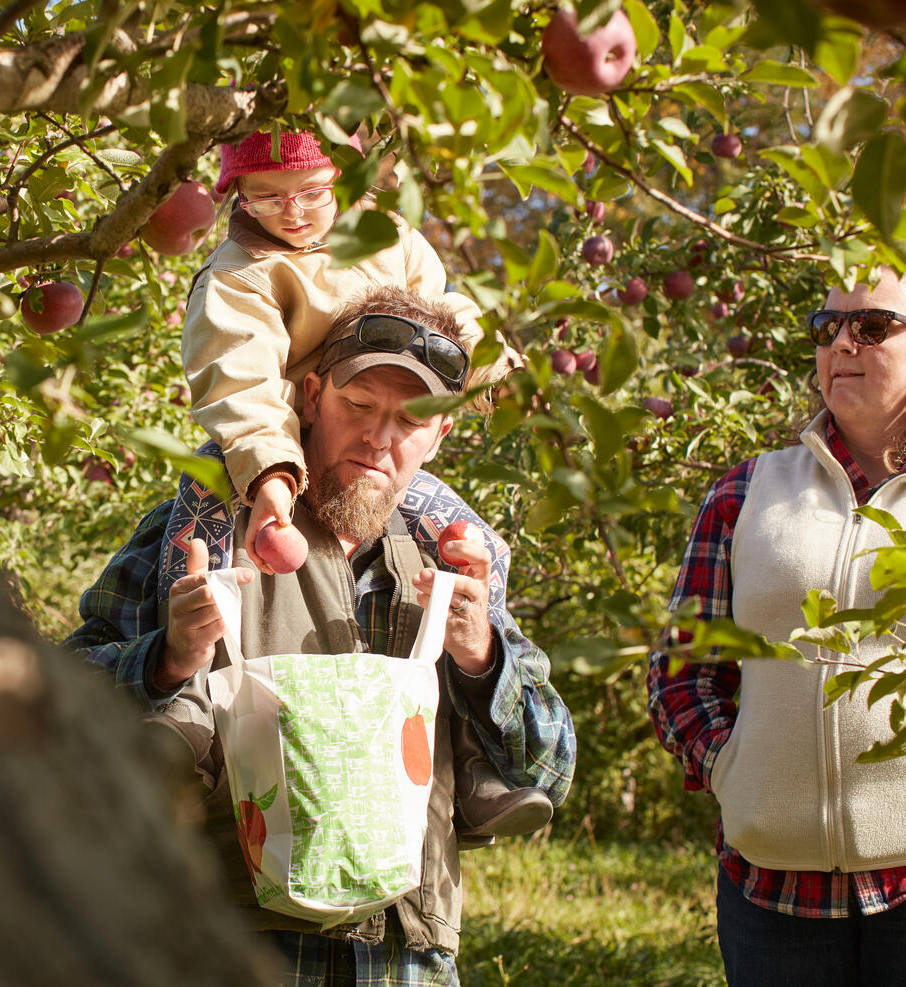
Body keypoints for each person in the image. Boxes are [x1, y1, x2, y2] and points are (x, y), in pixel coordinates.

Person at [70, 286, 574, 984]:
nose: (380, 439)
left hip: (407, 961)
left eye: (410, 420)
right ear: (312, 397)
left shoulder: (451, 561)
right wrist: (167, 659)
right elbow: (55, 704)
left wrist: (482, 655)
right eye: (359, 407)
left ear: (441, 434)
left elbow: (549, 770)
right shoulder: (206, 532)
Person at [182, 130, 544, 844]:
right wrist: (272, 483)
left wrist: (496, 363)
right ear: (236, 195)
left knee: (466, 544)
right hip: (269, 447)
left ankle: (480, 766)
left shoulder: (386, 238)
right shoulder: (240, 276)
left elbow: (441, 310)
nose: (292, 214)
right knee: (197, 541)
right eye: (267, 196)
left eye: (312, 193)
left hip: (356, 455)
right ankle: (182, 715)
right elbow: (243, 382)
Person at [648, 268, 906, 986]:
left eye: (873, 326)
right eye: (828, 329)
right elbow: (681, 671)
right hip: (772, 892)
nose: (843, 344)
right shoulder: (746, 491)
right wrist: (735, 774)